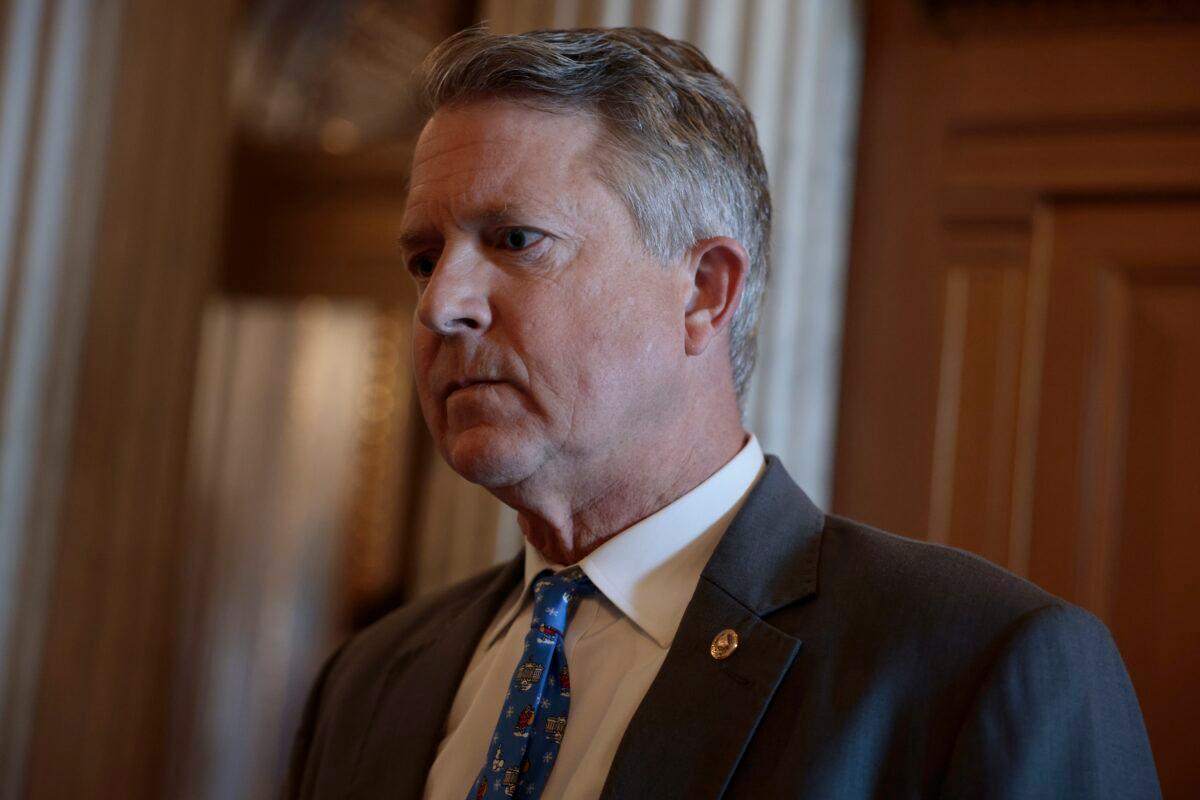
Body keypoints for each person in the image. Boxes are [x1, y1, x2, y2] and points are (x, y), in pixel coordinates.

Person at [283, 26, 1160, 800]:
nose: (444, 305)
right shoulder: (369, 680)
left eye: (515, 240)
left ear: (705, 291)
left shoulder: (975, 666)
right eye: (423, 258)